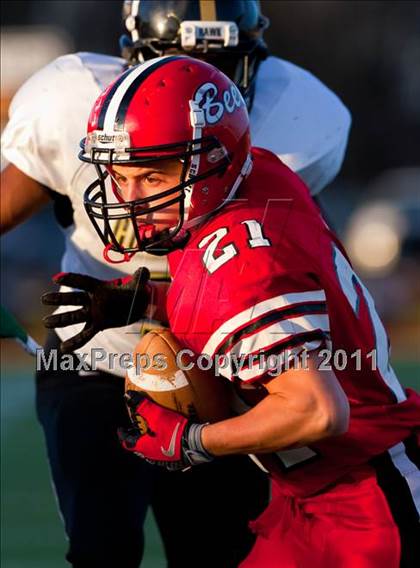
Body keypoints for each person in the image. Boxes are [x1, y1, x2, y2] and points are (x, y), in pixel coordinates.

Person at [0, 2, 351, 566]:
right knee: (102, 547)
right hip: (95, 354)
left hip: (222, 359)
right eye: (174, 61)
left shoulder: (293, 126)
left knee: (219, 549)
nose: (193, 86)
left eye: (215, 64)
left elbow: (300, 267)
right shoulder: (74, 107)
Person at [79, 55, 420, 568]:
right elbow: (236, 289)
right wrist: (144, 299)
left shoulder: (242, 265)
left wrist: (193, 441)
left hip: (368, 503)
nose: (129, 200)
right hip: (310, 497)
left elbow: (319, 410)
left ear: (211, 162)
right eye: (118, 176)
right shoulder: (256, 174)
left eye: (150, 177)